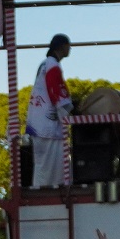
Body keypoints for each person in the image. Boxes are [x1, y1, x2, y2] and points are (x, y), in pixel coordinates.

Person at [26, 34, 73, 189]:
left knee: (42, 164)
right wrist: (69, 112)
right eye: (68, 45)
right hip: (48, 124)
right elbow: (56, 91)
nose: (70, 49)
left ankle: (39, 191)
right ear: (62, 46)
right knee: (54, 162)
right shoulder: (52, 65)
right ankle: (50, 196)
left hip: (38, 122)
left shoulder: (45, 64)